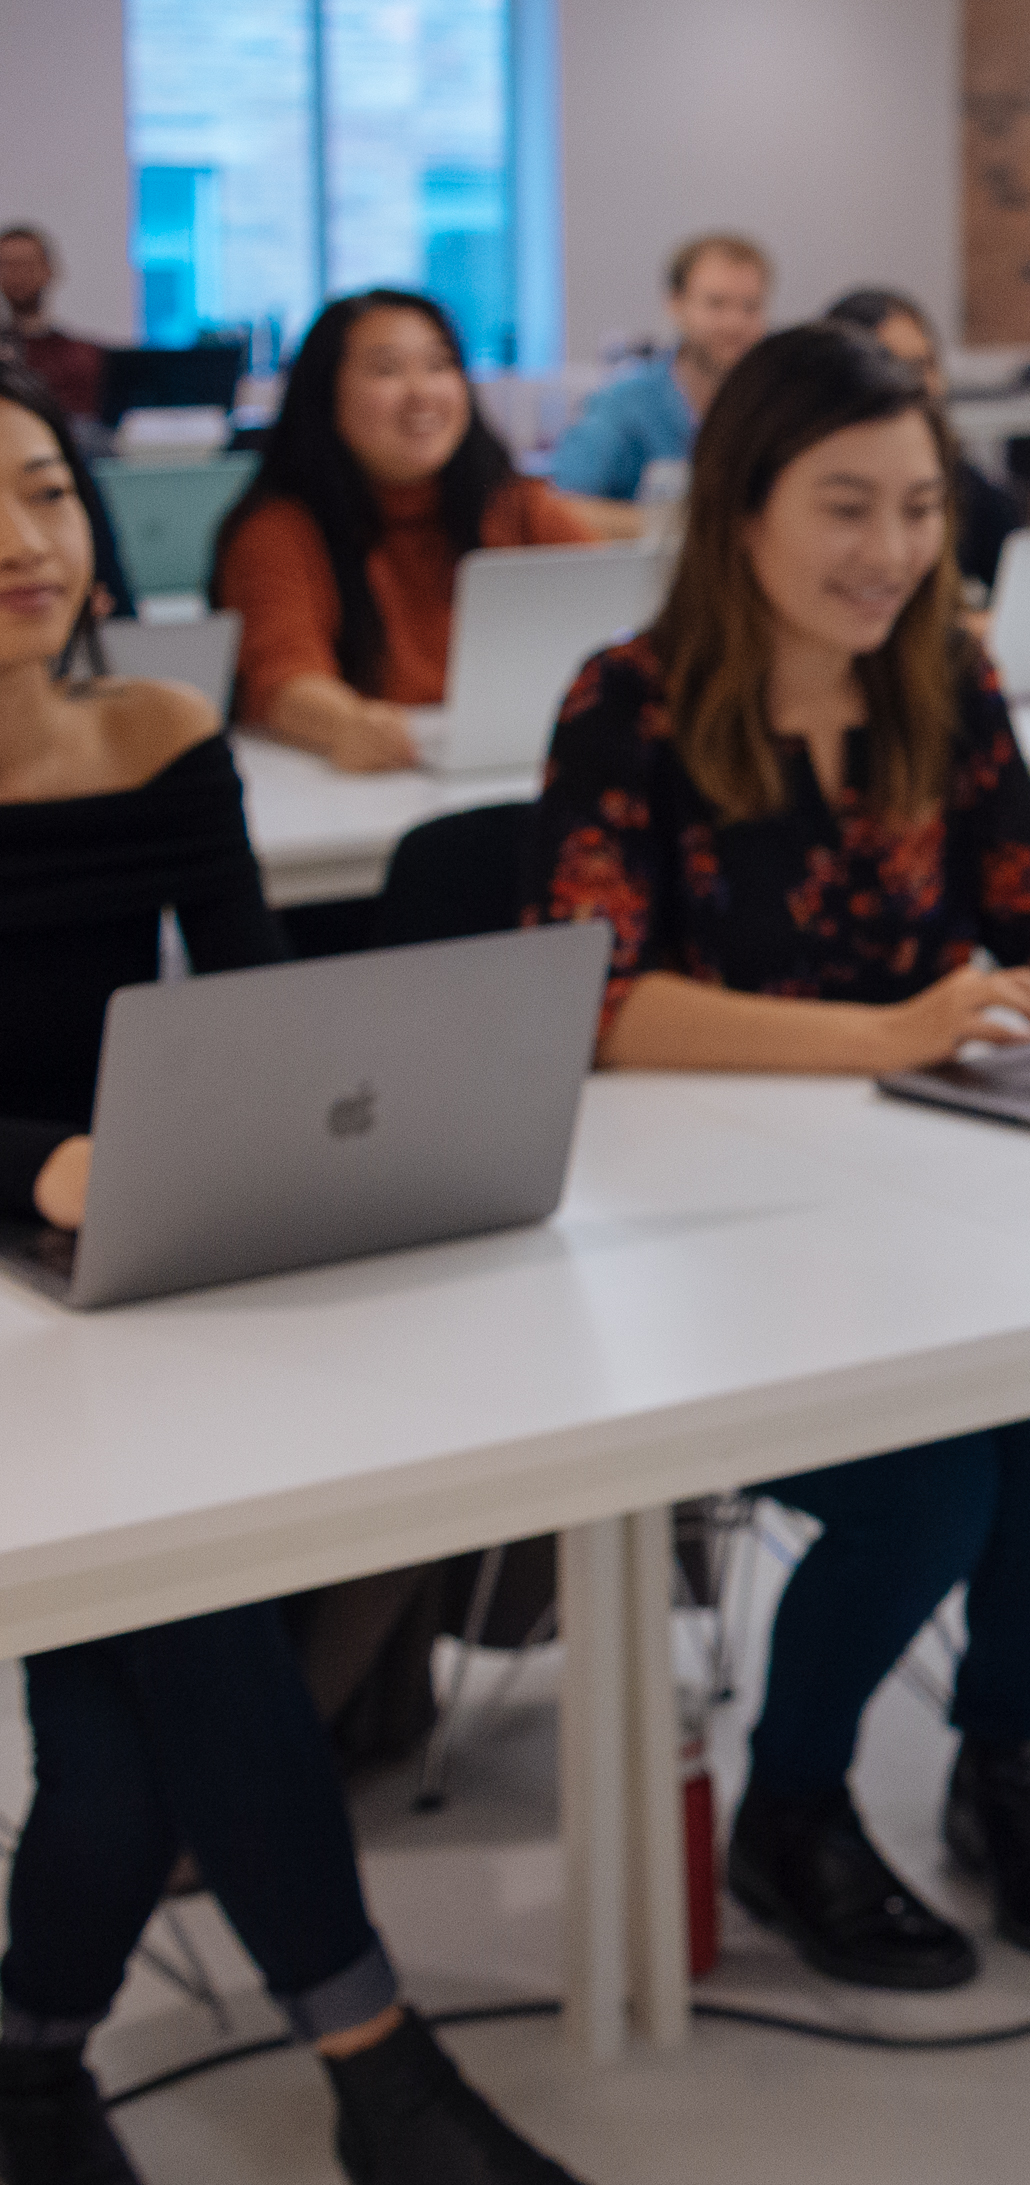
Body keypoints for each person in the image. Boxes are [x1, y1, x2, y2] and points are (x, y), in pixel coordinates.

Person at [0, 360, 591, 2185]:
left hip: (127, 1270)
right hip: (40, 1267)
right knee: (184, 1640)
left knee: (123, 1740)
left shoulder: (160, 732)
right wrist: (40, 1162)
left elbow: (257, 1009)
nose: (25, 542)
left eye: (43, 492)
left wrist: (339, 1129)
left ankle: (31, 2069)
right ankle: (380, 2073)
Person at [527, 323, 1030, 1989]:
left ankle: (1001, 1765)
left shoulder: (945, 678)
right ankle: (790, 1807)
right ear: (743, 511)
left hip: (933, 1207)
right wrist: (886, 1032)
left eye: (922, 509)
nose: (892, 552)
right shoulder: (627, 703)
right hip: (708, 1241)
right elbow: (596, 1004)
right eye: (846, 508)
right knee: (926, 1488)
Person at [209, 287, 601, 773]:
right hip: (361, 780)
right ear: (325, 393)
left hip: (514, 765)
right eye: (387, 370)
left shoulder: (513, 504)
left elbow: (611, 609)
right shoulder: (277, 529)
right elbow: (282, 680)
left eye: (439, 366)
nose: (422, 393)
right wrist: (350, 723)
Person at [548, 231, 771, 538]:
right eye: (716, 304)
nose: (734, 323)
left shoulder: (772, 408)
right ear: (676, 304)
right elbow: (558, 509)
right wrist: (682, 528)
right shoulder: (623, 405)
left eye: (750, 307)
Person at [820, 285, 1026, 594]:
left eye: (926, 365)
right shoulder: (819, 483)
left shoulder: (962, 482)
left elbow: (1020, 584)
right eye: (898, 368)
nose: (923, 386)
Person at [0, 225, 105, 425]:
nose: (18, 275)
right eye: (8, 265)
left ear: (48, 270)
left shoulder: (83, 356)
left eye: (27, 265)